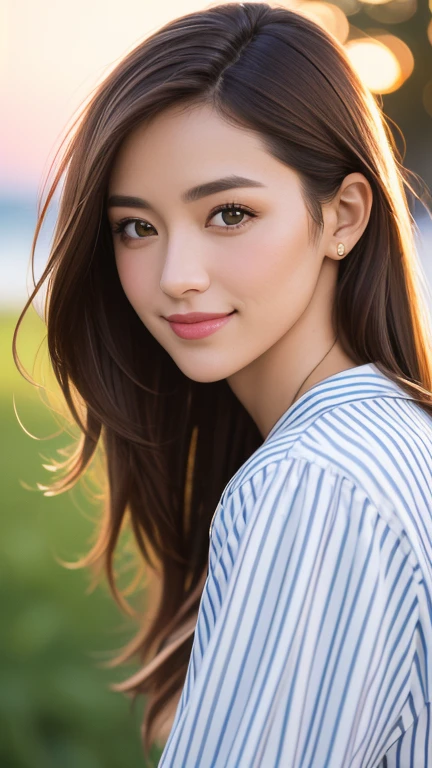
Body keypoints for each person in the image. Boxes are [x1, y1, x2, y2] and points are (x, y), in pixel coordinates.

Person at [12, 2, 432, 766]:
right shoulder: (400, 434)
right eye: (135, 227)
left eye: (229, 213)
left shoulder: (313, 483)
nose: (176, 278)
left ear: (342, 215)